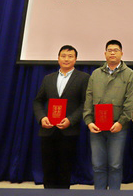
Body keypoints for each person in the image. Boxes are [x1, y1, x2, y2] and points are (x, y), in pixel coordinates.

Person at [83, 40, 133, 190]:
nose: (112, 53)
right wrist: (89, 121)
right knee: (98, 165)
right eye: (109, 50)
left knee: (115, 165)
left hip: (118, 126)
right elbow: (89, 99)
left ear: (122, 53)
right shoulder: (96, 74)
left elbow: (130, 101)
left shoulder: (129, 74)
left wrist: (121, 122)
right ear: (105, 53)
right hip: (96, 126)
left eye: (116, 50)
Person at [33, 45, 90, 188]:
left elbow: (85, 103)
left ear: (75, 59)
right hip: (48, 129)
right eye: (63, 56)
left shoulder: (83, 78)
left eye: (70, 56)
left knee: (65, 168)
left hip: (69, 130)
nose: (66, 59)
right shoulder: (48, 78)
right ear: (58, 58)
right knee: (48, 168)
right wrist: (42, 118)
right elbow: (38, 101)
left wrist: (71, 120)